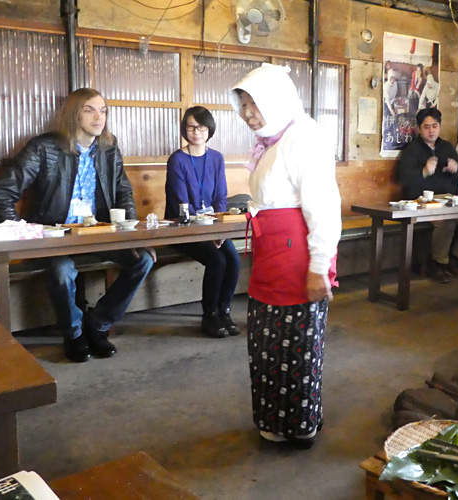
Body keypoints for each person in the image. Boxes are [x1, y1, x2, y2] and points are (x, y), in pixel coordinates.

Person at [0, 88, 155, 363]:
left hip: (98, 232)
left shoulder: (108, 147)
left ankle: (97, 324)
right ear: (74, 113)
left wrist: (131, 236)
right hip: (55, 237)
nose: (99, 117)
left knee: (143, 259)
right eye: (89, 110)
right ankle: (74, 333)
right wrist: (27, 234)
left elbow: (123, 192)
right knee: (62, 270)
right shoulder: (44, 147)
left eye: (103, 110)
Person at [231, 64, 341, 448]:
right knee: (266, 342)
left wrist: (318, 268)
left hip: (298, 259)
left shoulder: (304, 137)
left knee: (296, 344)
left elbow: (324, 208)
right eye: (243, 104)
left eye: (252, 104)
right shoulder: (270, 141)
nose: (246, 114)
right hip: (271, 257)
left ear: (275, 100)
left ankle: (299, 424)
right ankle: (272, 418)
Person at [165, 106, 240, 339]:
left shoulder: (216, 158)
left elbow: (221, 196)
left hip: (212, 227)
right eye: (190, 126)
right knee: (217, 260)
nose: (196, 132)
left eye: (201, 127)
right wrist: (208, 233)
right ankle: (209, 316)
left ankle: (224, 311)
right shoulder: (177, 159)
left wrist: (218, 229)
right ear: (184, 130)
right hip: (183, 227)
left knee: (233, 259)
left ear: (209, 129)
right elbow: (180, 202)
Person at [394, 107, 458, 283]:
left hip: (448, 201)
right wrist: (424, 171)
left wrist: (457, 168)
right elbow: (402, 178)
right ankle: (437, 264)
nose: (431, 130)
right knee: (446, 223)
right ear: (419, 129)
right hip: (421, 202)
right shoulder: (412, 149)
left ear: (440, 127)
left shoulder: (446, 147)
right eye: (426, 127)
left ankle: (456, 259)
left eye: (434, 126)